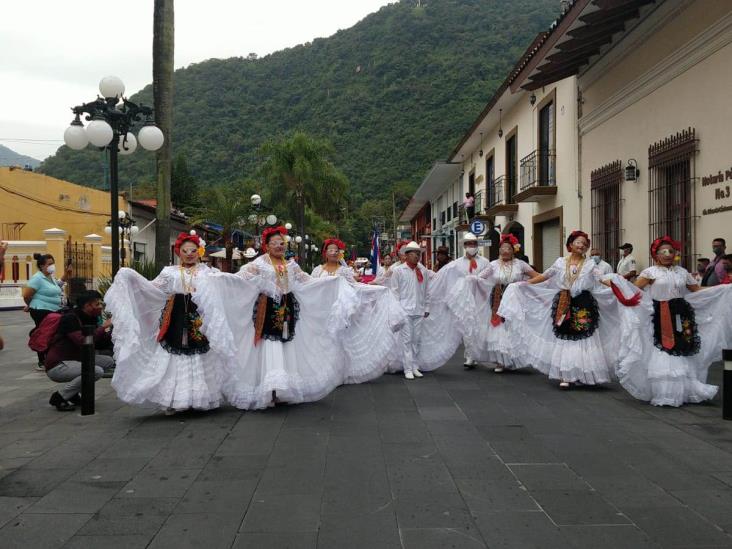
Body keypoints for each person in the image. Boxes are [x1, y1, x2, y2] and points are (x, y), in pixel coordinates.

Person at [194, 226, 357, 409]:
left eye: (281, 243)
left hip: (288, 311)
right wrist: (218, 278)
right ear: (266, 246)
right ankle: (270, 389)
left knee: (287, 345)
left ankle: (283, 389)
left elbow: (308, 282)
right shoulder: (258, 264)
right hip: (267, 311)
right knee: (269, 346)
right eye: (274, 243)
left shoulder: (291, 266)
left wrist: (332, 281)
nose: (279, 246)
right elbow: (239, 279)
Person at [104, 231, 226, 414]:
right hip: (175, 317)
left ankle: (198, 398)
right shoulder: (169, 272)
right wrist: (131, 277)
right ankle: (174, 399)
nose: (189, 253)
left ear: (199, 251)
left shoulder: (208, 272)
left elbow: (224, 287)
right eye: (185, 250)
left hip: (198, 317)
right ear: (179, 252)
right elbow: (151, 288)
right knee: (173, 356)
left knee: (200, 354)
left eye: (193, 250)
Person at [498, 231, 637, 389]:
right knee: (564, 334)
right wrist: (525, 284)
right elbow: (545, 276)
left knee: (582, 334)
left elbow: (602, 279)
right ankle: (566, 374)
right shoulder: (560, 262)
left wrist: (619, 288)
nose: (582, 245)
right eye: (578, 242)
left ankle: (582, 373)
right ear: (570, 244)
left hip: (584, 303)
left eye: (585, 243)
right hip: (564, 301)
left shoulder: (591, 264)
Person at [616, 237, 732, 407]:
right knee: (662, 349)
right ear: (656, 254)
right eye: (663, 251)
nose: (668, 254)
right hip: (659, 315)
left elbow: (697, 290)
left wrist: (723, 288)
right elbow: (635, 289)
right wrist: (614, 283)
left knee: (682, 348)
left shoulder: (682, 272)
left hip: (680, 314)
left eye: (671, 251)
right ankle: (665, 391)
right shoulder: (650, 272)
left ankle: (685, 389)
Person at [311, 238, 404, 383]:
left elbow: (356, 288)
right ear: (325, 253)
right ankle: (322, 373)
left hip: (339, 312)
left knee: (337, 342)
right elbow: (312, 288)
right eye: (330, 250)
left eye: (337, 250)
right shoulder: (317, 271)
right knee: (322, 342)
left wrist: (377, 290)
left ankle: (337, 374)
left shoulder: (344, 271)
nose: (334, 252)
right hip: (322, 311)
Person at [465, 234, 539, 373]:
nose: (505, 251)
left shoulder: (520, 264)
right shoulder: (493, 264)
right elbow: (481, 278)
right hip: (498, 298)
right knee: (499, 327)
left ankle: (513, 358)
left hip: (515, 298)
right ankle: (500, 361)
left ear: (513, 250)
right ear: (499, 250)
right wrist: (470, 279)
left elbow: (537, 276)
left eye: (508, 248)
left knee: (513, 326)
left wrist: (523, 284)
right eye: (503, 248)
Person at [419, 233, 491, 372]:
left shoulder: (485, 262)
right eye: (469, 244)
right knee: (467, 326)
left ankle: (476, 353)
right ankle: (469, 356)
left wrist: (478, 281)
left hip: (480, 298)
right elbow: (445, 277)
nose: (472, 247)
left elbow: (489, 279)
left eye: (474, 244)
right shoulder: (457, 263)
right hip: (464, 300)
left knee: (480, 326)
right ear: (464, 246)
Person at [44, 290, 114, 411]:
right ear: (87, 305)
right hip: (58, 365)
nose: (100, 307)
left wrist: (113, 334)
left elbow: (98, 343)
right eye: (97, 304)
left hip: (76, 359)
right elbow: (82, 341)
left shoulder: (91, 318)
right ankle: (60, 397)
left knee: (108, 361)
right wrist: (103, 328)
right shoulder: (71, 318)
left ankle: (73, 394)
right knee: (96, 371)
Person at [23, 253, 72, 370]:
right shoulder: (38, 278)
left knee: (50, 332)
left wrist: (66, 274)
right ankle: (42, 361)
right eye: (49, 264)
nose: (52, 266)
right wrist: (30, 305)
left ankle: (51, 356)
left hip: (53, 309)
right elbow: (26, 295)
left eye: (53, 263)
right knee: (44, 334)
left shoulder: (50, 277)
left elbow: (58, 285)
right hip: (41, 310)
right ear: (41, 266)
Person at [389, 241, 430, 380]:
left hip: (419, 309)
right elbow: (394, 291)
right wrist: (397, 309)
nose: (417, 256)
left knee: (416, 339)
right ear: (406, 255)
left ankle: (414, 366)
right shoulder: (398, 271)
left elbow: (426, 291)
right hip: (405, 309)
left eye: (418, 254)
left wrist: (427, 307)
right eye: (414, 253)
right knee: (407, 340)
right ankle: (407, 368)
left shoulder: (422, 270)